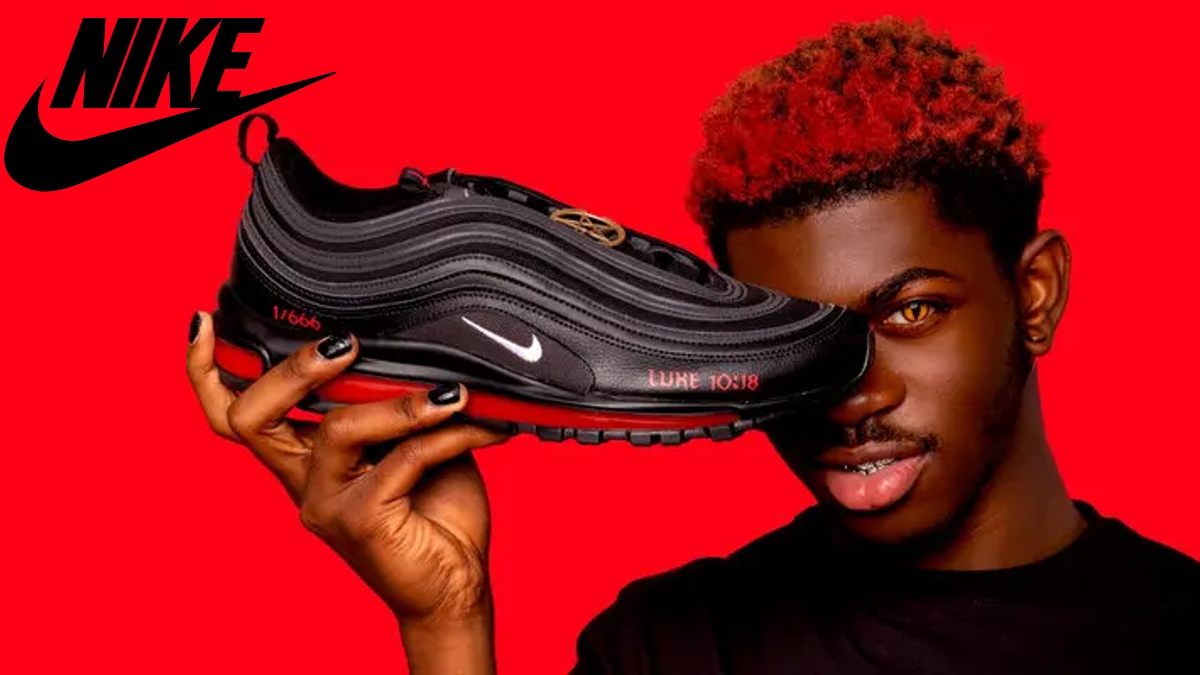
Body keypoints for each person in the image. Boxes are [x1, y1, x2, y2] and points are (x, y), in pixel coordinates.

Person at [186, 16, 1198, 674]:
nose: (852, 394)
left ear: (1034, 293)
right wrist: (446, 624)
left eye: (911, 313)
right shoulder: (672, 646)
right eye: (788, 332)